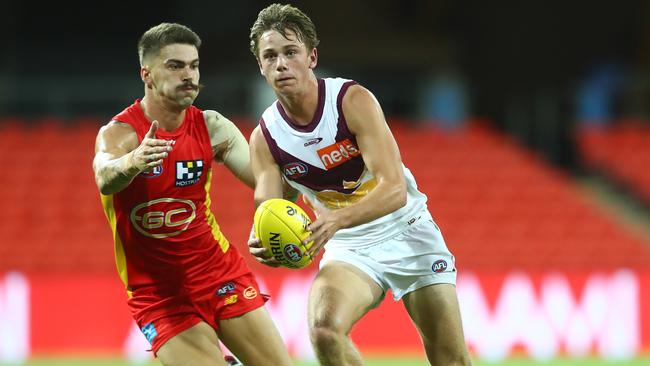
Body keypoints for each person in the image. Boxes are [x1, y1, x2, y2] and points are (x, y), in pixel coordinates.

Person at [247, 4, 472, 366]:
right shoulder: (265, 138)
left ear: (312, 57)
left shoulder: (351, 101)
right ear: (260, 66)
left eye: (291, 52)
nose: (281, 64)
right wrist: (269, 246)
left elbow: (395, 189)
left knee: (452, 360)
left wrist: (335, 220)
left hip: (408, 229)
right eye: (270, 56)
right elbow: (270, 210)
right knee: (323, 330)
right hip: (350, 247)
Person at [92, 23, 293, 366]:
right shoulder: (121, 134)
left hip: (219, 274)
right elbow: (104, 176)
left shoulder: (213, 127)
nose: (188, 75)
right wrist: (133, 162)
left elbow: (267, 185)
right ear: (148, 75)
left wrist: (292, 194)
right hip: (159, 296)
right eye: (175, 65)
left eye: (194, 65)